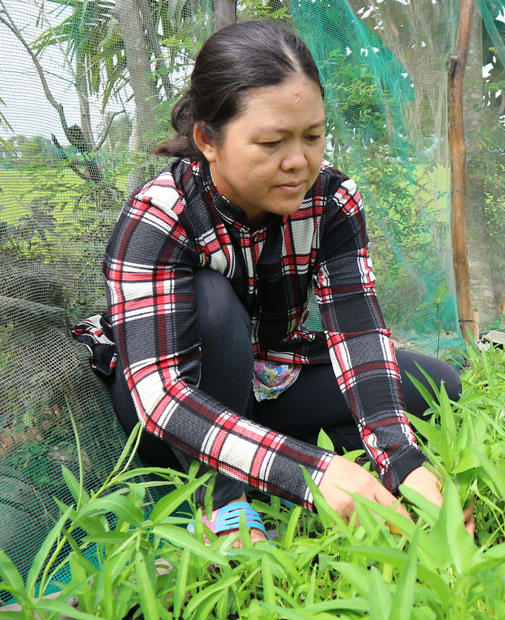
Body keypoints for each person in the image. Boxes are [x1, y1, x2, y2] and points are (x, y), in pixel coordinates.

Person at [72, 21, 473, 542]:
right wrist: (309, 473)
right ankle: (223, 502)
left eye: (313, 136)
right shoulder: (161, 217)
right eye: (271, 142)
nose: (298, 163)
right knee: (213, 302)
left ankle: (270, 461)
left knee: (436, 386)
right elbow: (162, 398)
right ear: (207, 141)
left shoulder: (331, 200)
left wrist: (404, 466)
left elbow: (358, 335)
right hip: (170, 404)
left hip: (265, 374)